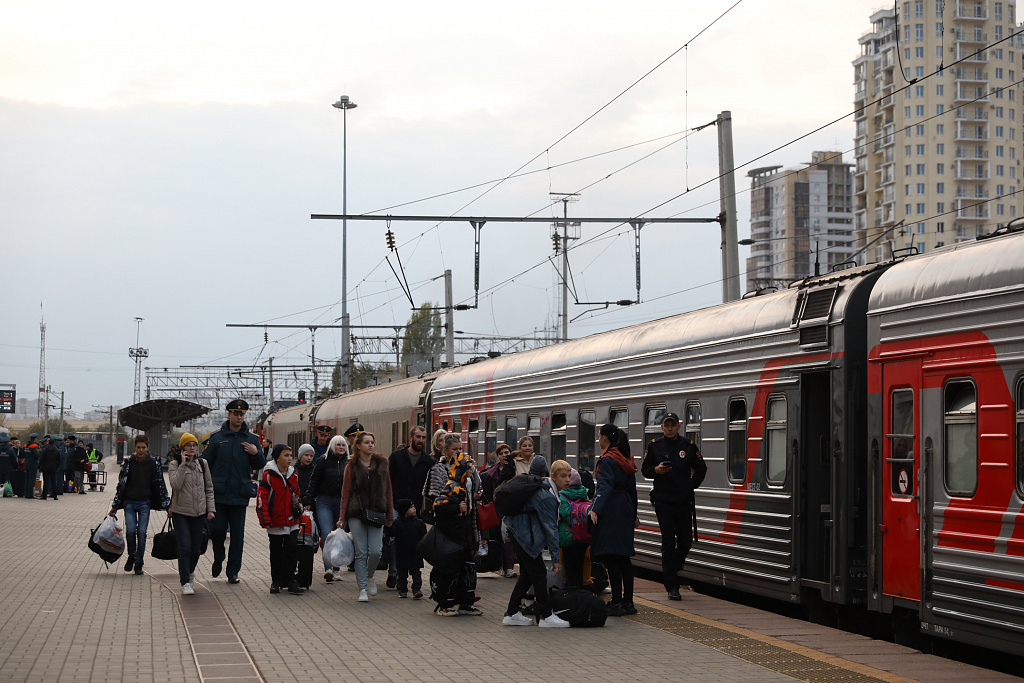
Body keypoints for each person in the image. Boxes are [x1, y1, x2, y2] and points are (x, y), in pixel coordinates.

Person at [641, 411, 707, 601]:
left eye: (673, 425)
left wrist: (691, 485)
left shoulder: (688, 446)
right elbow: (645, 469)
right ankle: (672, 585)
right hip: (663, 501)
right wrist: (657, 470)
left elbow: (702, 468)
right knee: (668, 542)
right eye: (666, 425)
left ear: (679, 426)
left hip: (683, 501)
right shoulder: (655, 446)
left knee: (685, 541)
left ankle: (673, 568)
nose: (670, 428)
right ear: (662, 427)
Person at [203, 399, 266, 584]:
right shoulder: (216, 438)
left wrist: (256, 453)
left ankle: (233, 572)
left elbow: (260, 464)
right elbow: (206, 465)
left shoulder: (252, 440)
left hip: (239, 494)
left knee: (238, 536)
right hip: (219, 494)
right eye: (235, 414)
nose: (239, 417)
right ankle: (218, 557)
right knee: (218, 531)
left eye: (242, 414)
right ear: (229, 414)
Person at [500, 468, 571, 628]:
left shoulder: (545, 488)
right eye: (563, 476)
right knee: (538, 573)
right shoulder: (548, 497)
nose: (567, 480)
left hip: (519, 532)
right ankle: (545, 616)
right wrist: (555, 558)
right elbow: (551, 528)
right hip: (523, 535)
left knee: (528, 574)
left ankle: (512, 613)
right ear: (553, 476)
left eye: (569, 476)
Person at [588, 424, 638, 616]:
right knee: (624, 557)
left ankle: (616, 601)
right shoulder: (626, 457)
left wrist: (595, 509)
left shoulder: (607, 460)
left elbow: (604, 487)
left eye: (599, 436)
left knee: (612, 556)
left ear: (606, 438)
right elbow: (632, 490)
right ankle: (628, 602)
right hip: (625, 507)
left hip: (611, 509)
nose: (599, 440)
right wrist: (634, 515)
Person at [430, 436, 482, 617]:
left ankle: (466, 602)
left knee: (468, 568)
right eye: (468, 469)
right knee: (451, 570)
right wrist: (455, 508)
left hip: (466, 532)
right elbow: (437, 505)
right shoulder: (451, 486)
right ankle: (446, 603)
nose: (470, 472)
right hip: (452, 534)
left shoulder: (465, 484)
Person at [338, 431, 394, 602]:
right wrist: (342, 517)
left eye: (372, 442)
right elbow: (345, 493)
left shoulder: (382, 464)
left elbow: (388, 491)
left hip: (377, 511)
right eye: (367, 442)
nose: (370, 445)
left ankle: (370, 576)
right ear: (359, 446)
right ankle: (362, 588)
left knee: (376, 551)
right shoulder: (352, 466)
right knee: (361, 552)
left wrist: (390, 513)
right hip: (356, 512)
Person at [110, 434, 171, 575]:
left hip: (145, 502)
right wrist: (114, 505)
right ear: (134, 447)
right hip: (129, 502)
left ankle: (139, 562)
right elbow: (121, 485)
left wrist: (167, 505)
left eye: (143, 447)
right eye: (138, 447)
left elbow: (160, 484)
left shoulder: (153, 463)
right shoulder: (128, 463)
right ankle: (132, 555)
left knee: (142, 533)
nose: (141, 450)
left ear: (148, 447)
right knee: (131, 531)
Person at [168, 433, 215, 596]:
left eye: (194, 445)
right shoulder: (174, 464)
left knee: (196, 548)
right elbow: (175, 484)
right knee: (185, 547)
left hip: (199, 512)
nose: (192, 448)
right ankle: (185, 582)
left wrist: (211, 509)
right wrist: (182, 465)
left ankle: (190, 572)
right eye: (189, 445)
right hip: (180, 512)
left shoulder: (203, 464)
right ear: (182, 448)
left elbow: (209, 487)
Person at [387, 425, 433, 587]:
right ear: (411, 438)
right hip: (395, 504)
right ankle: (394, 573)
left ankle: (413, 576)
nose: (421, 440)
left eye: (423, 437)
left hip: (414, 507)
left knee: (412, 540)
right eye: (418, 437)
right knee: (395, 539)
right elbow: (388, 481)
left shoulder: (428, 461)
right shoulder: (397, 457)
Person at [257, 444, 305, 595]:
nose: (289, 458)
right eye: (286, 455)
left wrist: (300, 512)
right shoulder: (269, 475)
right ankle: (276, 581)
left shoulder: (293, 474)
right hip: (275, 520)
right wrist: (265, 518)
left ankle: (291, 580)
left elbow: (297, 494)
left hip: (292, 519)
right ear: (277, 457)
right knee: (276, 551)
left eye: (291, 455)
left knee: (292, 548)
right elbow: (262, 497)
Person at [303, 435, 348, 582]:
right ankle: (328, 566)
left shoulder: (348, 463)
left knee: (339, 535)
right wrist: (309, 499)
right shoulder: (323, 460)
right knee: (327, 533)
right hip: (324, 501)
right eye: (338, 445)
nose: (341, 447)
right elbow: (314, 480)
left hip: (341, 502)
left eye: (343, 445)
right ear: (332, 446)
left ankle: (337, 569)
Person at [481, 442, 517, 578]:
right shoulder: (490, 473)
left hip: (510, 508)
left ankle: (509, 567)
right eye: (501, 454)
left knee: (508, 539)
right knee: (499, 538)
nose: (504, 456)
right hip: (496, 510)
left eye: (506, 453)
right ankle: (501, 565)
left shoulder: (515, 469)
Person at [553, 461, 590, 590]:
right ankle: (580, 593)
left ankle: (572, 596)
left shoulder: (562, 497)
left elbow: (560, 517)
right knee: (580, 567)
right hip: (583, 537)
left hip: (568, 538)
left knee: (569, 569)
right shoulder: (584, 494)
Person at [392, 498, 427, 599]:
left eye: (414, 507)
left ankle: (417, 589)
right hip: (401, 552)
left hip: (415, 552)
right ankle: (402, 589)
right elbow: (392, 533)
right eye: (411, 508)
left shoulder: (419, 523)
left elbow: (424, 536)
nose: (414, 509)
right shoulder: (397, 523)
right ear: (404, 511)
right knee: (402, 574)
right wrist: (388, 526)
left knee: (416, 573)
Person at [421, 429, 448, 521]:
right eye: (441, 440)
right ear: (436, 443)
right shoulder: (431, 461)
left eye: (446, 440)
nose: (444, 443)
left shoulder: (454, 461)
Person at [22, 433, 40, 499]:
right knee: (32, 480)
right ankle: (30, 494)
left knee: (27, 479)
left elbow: (22, 454)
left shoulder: (25, 445)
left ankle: (26, 493)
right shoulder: (35, 446)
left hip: (26, 463)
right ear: (35, 439)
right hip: (33, 464)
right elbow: (37, 455)